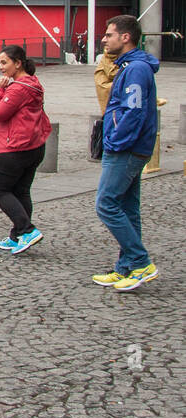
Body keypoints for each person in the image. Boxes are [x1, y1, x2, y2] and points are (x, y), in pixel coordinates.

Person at [93, 15, 160, 291]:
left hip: (126, 148)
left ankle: (141, 262)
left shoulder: (134, 70)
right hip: (131, 146)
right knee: (128, 208)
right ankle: (126, 268)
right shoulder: (129, 67)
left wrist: (115, 141)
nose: (104, 39)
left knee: (106, 204)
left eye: (109, 35)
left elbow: (133, 111)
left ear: (125, 37)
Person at [0, 45, 51, 254]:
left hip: (13, 148)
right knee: (21, 191)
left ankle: (27, 230)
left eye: (4, 62)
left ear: (18, 63)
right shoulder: (34, 83)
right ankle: (18, 236)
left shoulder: (18, 88)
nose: (0, 67)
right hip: (34, 146)